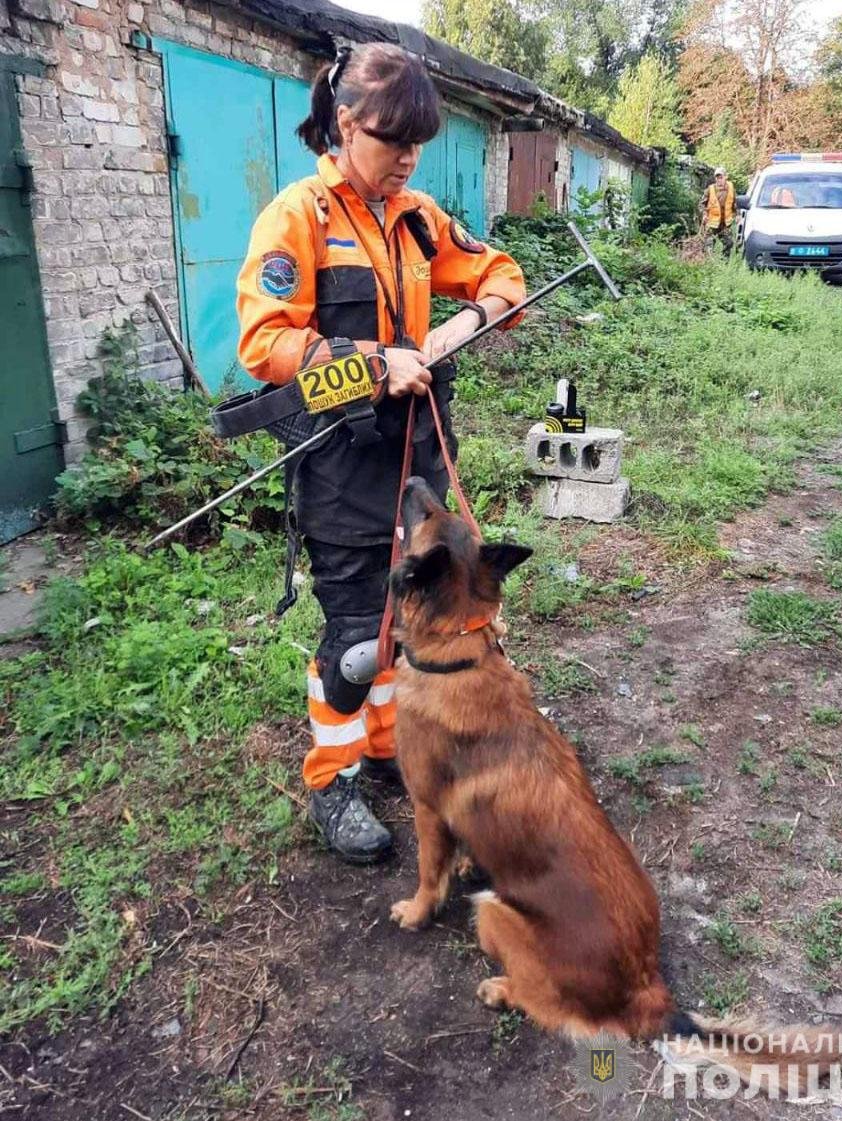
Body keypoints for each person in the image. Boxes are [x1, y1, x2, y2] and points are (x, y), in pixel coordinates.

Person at [236, 43, 526, 863]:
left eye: (417, 144)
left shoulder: (418, 216)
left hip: (421, 454)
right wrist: (370, 363)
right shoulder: (298, 217)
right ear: (345, 123)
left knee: (417, 611)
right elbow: (264, 345)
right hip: (340, 461)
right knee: (359, 633)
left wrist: (461, 323)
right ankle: (333, 778)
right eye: (391, 140)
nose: (406, 158)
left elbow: (501, 275)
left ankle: (383, 745)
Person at [700, 166, 735, 255]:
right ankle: (710, 265)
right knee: (709, 246)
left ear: (726, 177)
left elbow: (734, 202)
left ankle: (724, 264)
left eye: (721, 177)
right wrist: (704, 214)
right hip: (712, 224)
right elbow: (701, 204)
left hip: (725, 224)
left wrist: (737, 214)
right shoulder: (710, 189)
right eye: (717, 178)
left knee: (729, 243)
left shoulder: (731, 188)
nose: (719, 180)